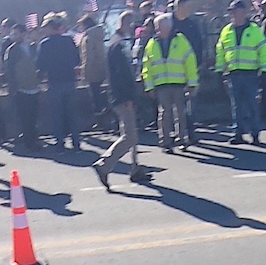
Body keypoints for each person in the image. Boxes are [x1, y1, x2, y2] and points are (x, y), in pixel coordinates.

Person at [93, 11, 148, 188]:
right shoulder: (118, 46)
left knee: (132, 133)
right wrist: (127, 97)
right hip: (123, 97)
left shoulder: (117, 43)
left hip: (122, 95)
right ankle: (104, 165)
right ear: (126, 24)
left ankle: (135, 168)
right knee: (129, 136)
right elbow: (119, 76)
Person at [142, 12, 199, 152]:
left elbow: (190, 62)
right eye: (157, 27)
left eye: (160, 26)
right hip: (161, 84)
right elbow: (146, 67)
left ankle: (181, 139)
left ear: (168, 27)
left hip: (178, 82)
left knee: (180, 112)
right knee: (165, 113)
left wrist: (192, 83)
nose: (158, 29)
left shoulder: (180, 40)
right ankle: (165, 142)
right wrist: (149, 86)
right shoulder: (151, 44)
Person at [217, 0, 266, 145]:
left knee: (252, 104)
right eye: (231, 12)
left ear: (243, 12)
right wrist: (219, 69)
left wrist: (264, 69)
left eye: (235, 11)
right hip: (233, 73)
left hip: (250, 73)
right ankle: (238, 133)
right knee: (237, 106)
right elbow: (221, 51)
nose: (233, 15)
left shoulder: (254, 30)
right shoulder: (226, 31)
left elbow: (264, 49)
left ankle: (255, 133)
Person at [35, 13, 83, 149]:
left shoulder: (45, 44)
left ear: (51, 28)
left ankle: (60, 142)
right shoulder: (69, 40)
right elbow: (77, 60)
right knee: (72, 113)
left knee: (57, 114)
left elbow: (40, 65)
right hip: (70, 80)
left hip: (54, 81)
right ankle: (76, 141)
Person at [171, 0, 208, 146]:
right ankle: (178, 133)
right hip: (173, 71)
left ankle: (191, 132)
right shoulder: (169, 24)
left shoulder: (192, 25)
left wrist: (199, 64)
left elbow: (199, 45)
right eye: (185, 7)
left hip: (191, 69)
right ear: (177, 8)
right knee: (176, 105)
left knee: (191, 103)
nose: (188, 10)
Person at [1, 22, 40, 150]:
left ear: (24, 34)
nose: (14, 36)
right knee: (25, 116)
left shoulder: (32, 47)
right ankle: (29, 142)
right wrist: (13, 89)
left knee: (33, 115)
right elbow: (9, 71)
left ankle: (34, 138)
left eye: (17, 34)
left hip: (34, 87)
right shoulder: (12, 50)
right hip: (21, 88)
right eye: (13, 34)